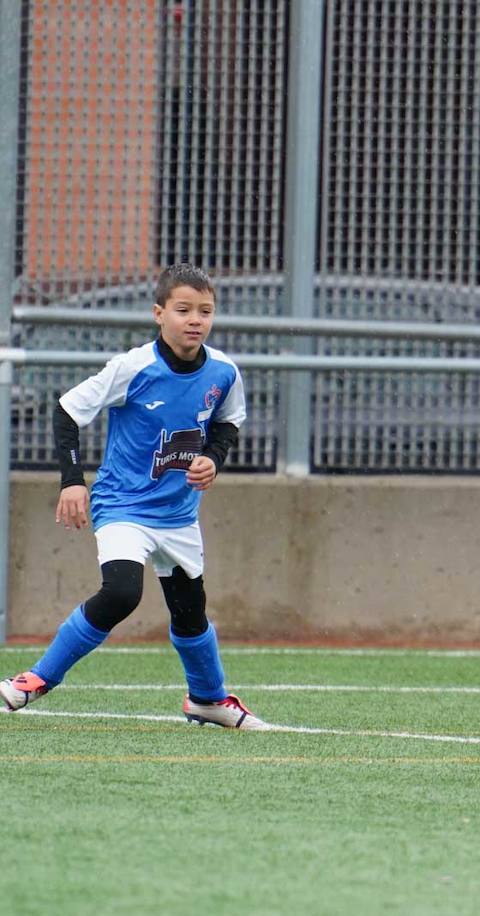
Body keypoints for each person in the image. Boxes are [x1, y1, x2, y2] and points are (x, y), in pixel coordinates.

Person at [0, 263, 267, 730]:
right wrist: (72, 480)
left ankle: (206, 699)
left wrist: (213, 458)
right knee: (122, 592)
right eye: (183, 310)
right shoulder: (134, 367)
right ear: (158, 314)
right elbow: (67, 411)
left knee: (190, 611)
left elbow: (228, 420)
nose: (195, 320)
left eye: (205, 311)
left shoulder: (223, 371)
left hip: (178, 513)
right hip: (122, 505)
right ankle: (34, 681)